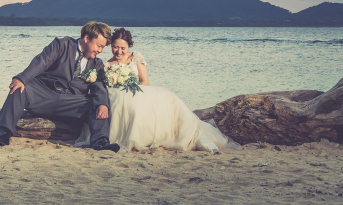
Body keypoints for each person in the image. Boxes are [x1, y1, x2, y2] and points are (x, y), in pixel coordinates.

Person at [74, 28, 238, 152]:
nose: (118, 51)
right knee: (121, 101)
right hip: (119, 93)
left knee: (169, 98)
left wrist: (134, 91)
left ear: (129, 46)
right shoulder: (106, 65)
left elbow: (144, 81)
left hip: (139, 91)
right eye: (115, 47)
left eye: (123, 48)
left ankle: (196, 138)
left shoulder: (136, 57)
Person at [0, 21, 121, 152]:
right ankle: (3, 133)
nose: (100, 50)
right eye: (99, 46)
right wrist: (21, 79)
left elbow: (99, 85)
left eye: (103, 47)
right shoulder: (61, 45)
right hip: (44, 95)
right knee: (19, 88)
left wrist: (102, 104)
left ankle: (100, 142)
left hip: (71, 103)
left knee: (97, 104)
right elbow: (41, 62)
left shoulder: (97, 64)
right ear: (86, 38)